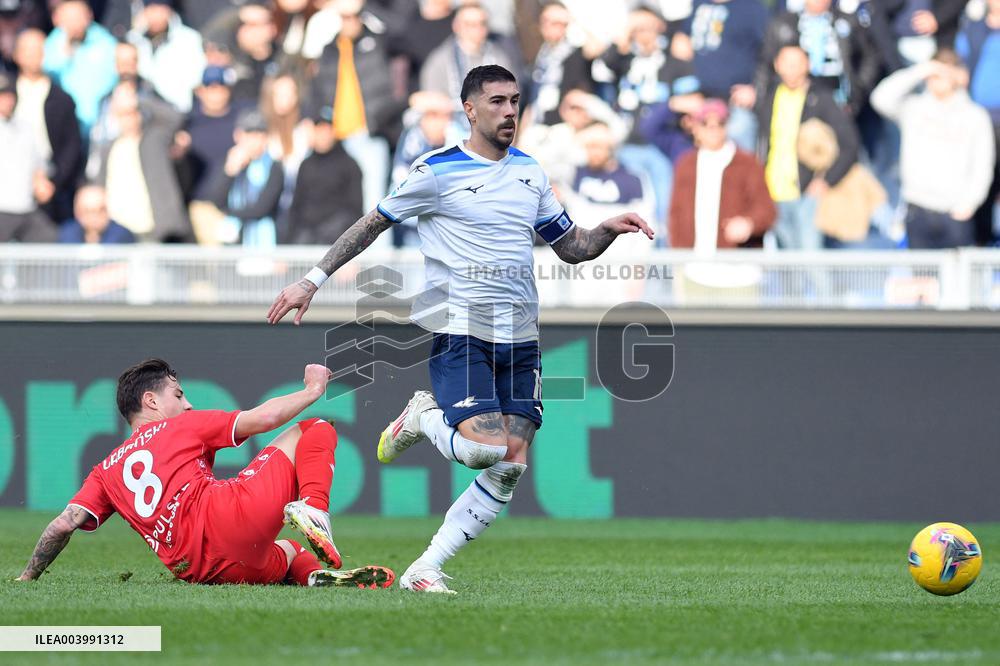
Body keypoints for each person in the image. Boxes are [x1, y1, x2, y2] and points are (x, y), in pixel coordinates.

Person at [267, 65, 654, 593]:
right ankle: (423, 415)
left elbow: (571, 248)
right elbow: (372, 223)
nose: (509, 111)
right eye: (497, 101)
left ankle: (425, 567)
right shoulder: (436, 171)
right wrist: (313, 280)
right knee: (481, 450)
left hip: (521, 337)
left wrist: (607, 230)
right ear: (470, 109)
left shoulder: (530, 173)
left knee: (511, 463)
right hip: (461, 327)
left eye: (515, 101)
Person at [16, 358, 394, 588]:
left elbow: (62, 526)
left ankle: (313, 578)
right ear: (151, 401)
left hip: (200, 569)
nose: (188, 403)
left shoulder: (105, 471)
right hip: (228, 520)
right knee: (315, 429)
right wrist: (313, 389)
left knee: (292, 552)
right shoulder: (182, 425)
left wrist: (28, 577)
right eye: (178, 395)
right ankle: (314, 507)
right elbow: (265, 418)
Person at [870, 49, 995, 249]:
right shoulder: (914, 108)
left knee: (958, 280)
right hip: (918, 210)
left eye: (944, 73)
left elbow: (983, 164)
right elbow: (880, 98)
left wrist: (969, 203)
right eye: (934, 74)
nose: (937, 80)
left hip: (955, 213)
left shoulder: (974, 116)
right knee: (922, 279)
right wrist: (919, 70)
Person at [756, 45, 858, 249]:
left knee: (812, 261)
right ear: (777, 66)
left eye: (797, 63)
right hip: (773, 191)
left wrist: (826, 180)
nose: (791, 69)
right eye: (786, 63)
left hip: (806, 195)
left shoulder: (822, 99)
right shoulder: (769, 97)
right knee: (787, 268)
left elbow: (850, 144)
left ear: (808, 65)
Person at [669, 99, 775, 249]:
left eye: (720, 123)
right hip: (693, 265)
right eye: (705, 123)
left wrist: (748, 224)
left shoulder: (747, 164)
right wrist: (678, 255)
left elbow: (767, 210)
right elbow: (676, 214)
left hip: (737, 265)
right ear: (695, 128)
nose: (713, 128)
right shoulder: (686, 165)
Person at [13, 28, 83, 226]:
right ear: (17, 54)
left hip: (50, 185)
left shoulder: (62, 99)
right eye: (28, 50)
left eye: (38, 49)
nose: (34, 55)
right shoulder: (6, 94)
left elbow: (71, 147)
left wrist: (53, 183)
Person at [285, 105, 364, 244]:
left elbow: (355, 211)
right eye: (319, 129)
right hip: (306, 236)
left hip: (336, 239)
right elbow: (295, 207)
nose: (323, 134)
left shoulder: (349, 165)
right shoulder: (306, 164)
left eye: (328, 129)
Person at [211, 107, 284, 247]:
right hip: (233, 243)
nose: (255, 140)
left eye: (260, 134)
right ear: (238, 135)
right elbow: (216, 199)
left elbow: (262, 208)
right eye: (250, 134)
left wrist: (228, 212)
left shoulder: (274, 166)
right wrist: (230, 171)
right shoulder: (229, 162)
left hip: (266, 244)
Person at [43, 0, 118, 134]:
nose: (74, 24)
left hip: (100, 121)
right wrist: (65, 51)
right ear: (57, 19)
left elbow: (113, 77)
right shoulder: (51, 44)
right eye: (69, 19)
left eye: (78, 17)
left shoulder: (105, 42)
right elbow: (47, 75)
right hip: (64, 121)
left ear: (89, 15)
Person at [0, 70, 57, 242]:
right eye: (2, 96)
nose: (7, 101)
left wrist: (41, 181)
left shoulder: (25, 128)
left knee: (49, 240)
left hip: (26, 208)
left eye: (10, 95)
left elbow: (39, 165)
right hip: (2, 208)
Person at [126, 0, 206, 113]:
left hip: (177, 110)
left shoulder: (189, 39)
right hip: (141, 112)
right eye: (151, 9)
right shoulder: (133, 40)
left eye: (160, 9)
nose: (156, 16)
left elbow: (196, 78)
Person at [58, 184, 135, 243]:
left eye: (100, 210)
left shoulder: (122, 236)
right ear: (77, 212)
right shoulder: (67, 235)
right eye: (88, 211)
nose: (94, 216)